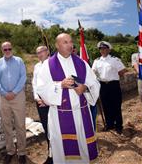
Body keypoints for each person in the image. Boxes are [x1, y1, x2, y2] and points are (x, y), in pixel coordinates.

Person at [37, 33, 100, 164]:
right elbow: (41, 89)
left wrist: (85, 88)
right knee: (63, 154)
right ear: (57, 45)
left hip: (82, 115)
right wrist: (60, 85)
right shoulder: (48, 65)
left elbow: (95, 83)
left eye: (71, 42)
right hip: (60, 116)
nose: (70, 45)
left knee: (83, 151)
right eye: (65, 42)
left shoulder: (81, 63)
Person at [0, 41, 27, 164]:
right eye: (5, 49)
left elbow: (23, 77)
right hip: (3, 98)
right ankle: (10, 151)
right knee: (6, 125)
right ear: (2, 50)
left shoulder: (19, 61)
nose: (7, 51)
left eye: (9, 48)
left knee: (20, 125)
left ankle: (22, 152)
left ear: (12, 49)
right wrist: (4, 93)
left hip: (18, 97)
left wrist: (14, 92)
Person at [92, 41, 127, 134]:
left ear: (109, 49)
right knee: (106, 106)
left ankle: (119, 126)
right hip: (102, 85)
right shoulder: (97, 61)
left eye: (104, 48)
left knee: (116, 106)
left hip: (113, 85)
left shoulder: (115, 60)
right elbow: (93, 72)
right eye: (100, 49)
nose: (102, 50)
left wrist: (116, 76)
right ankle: (109, 124)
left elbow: (123, 70)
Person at [31, 45, 52, 164]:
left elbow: (54, 83)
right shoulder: (37, 66)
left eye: (42, 52)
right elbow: (34, 83)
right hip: (40, 102)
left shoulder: (53, 64)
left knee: (54, 129)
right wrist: (36, 98)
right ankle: (51, 155)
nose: (39, 54)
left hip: (51, 103)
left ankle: (58, 155)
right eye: (37, 52)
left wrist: (46, 99)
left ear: (47, 52)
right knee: (46, 127)